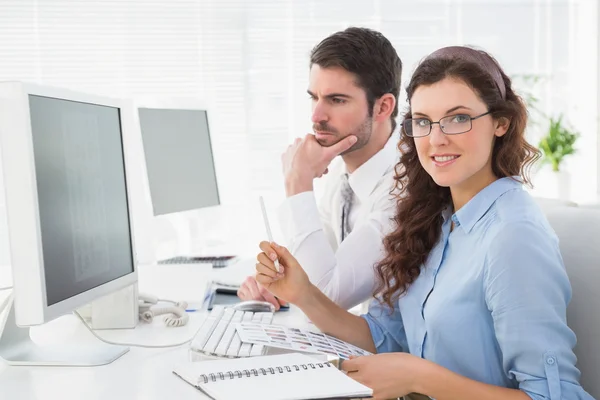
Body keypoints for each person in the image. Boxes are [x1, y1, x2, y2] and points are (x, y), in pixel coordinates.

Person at [253, 46, 593, 399]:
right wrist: (304, 294)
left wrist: (419, 377)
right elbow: (385, 336)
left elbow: (557, 396)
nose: (435, 139)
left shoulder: (513, 236)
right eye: (423, 121)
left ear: (500, 122)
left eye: (458, 118)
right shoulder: (436, 218)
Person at [237, 27, 403, 310]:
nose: (316, 116)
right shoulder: (342, 172)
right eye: (314, 97)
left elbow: (328, 297)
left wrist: (298, 182)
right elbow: (317, 269)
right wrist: (277, 288)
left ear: (383, 107)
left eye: (336, 100)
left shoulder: (404, 189)